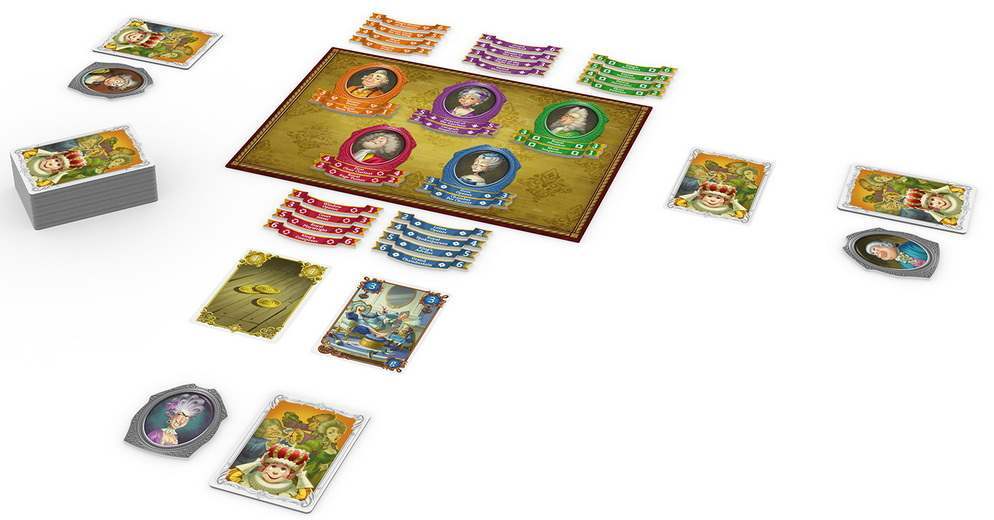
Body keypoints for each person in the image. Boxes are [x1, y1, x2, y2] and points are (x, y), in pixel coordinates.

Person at [227, 444, 313, 500]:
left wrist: (301, 475)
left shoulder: (290, 491)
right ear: (265, 467)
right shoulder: (247, 479)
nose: (275, 472)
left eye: (283, 469)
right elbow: (229, 477)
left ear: (290, 474)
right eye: (273, 466)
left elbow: (304, 498)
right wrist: (257, 463)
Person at [674, 181, 747, 219]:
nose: (713, 200)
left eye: (718, 198)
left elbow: (741, 215)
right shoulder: (690, 204)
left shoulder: (728, 212)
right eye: (709, 196)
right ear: (702, 196)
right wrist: (695, 194)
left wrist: (733, 202)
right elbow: (678, 203)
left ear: (724, 201)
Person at [864, 240, 929, 269]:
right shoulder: (904, 266)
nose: (878, 254)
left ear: (887, 245)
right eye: (874, 254)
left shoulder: (911, 245)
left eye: (876, 249)